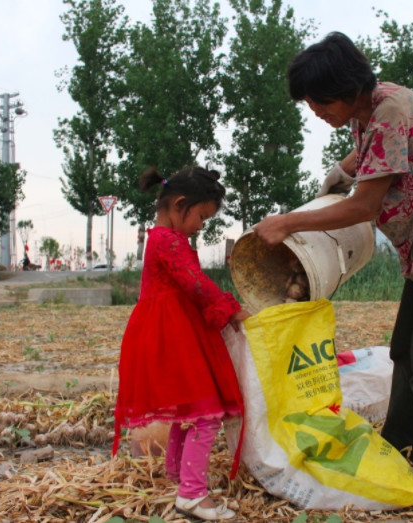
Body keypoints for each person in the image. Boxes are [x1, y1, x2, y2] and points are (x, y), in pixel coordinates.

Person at [253, 32, 413, 516]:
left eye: (320, 102)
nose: (316, 112)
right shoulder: (370, 112)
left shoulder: (388, 111)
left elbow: (364, 206)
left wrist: (290, 222)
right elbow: (360, 164)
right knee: (405, 351)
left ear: (345, 90)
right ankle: (404, 446)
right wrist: (338, 173)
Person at [112, 165, 251, 521]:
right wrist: (231, 310)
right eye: (201, 217)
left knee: (187, 411)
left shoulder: (162, 238)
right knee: (207, 415)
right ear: (179, 204)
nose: (201, 226)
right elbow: (194, 283)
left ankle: (178, 476)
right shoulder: (169, 241)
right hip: (172, 335)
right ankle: (191, 494)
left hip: (170, 332)